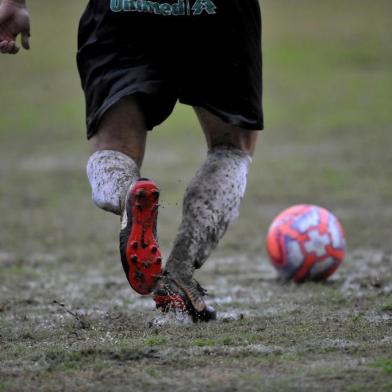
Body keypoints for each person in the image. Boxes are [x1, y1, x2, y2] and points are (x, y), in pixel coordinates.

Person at [0, 0, 263, 322]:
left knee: (114, 145)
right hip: (216, 13)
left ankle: (128, 193)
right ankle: (179, 273)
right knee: (231, 147)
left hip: (124, 9)